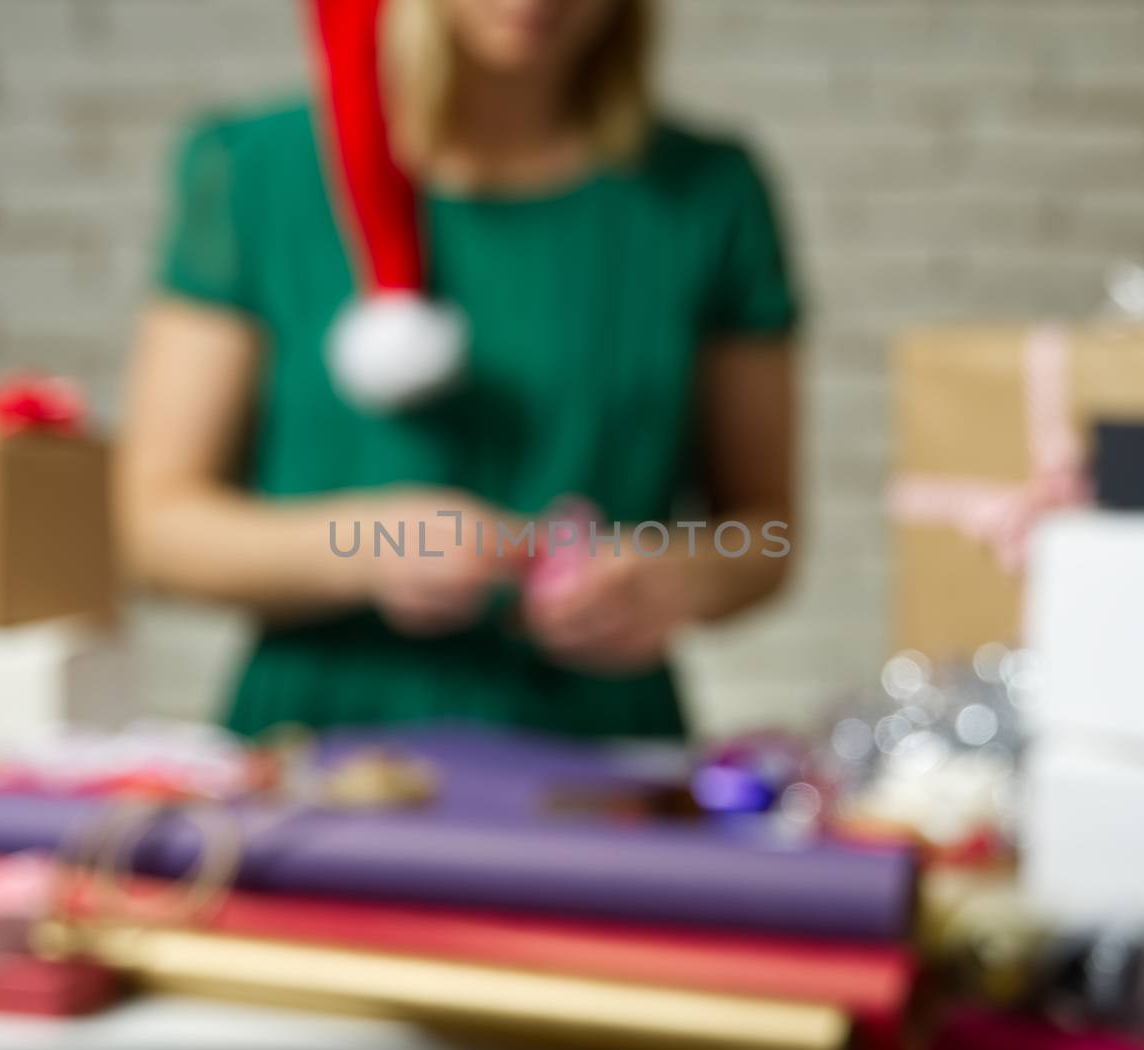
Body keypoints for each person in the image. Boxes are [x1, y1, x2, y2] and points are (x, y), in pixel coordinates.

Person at [117, 0, 799, 740]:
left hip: (604, 759)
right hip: (312, 748)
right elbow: (158, 528)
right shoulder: (255, 172)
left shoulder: (706, 193)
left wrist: (679, 573)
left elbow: (765, 536)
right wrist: (365, 546)